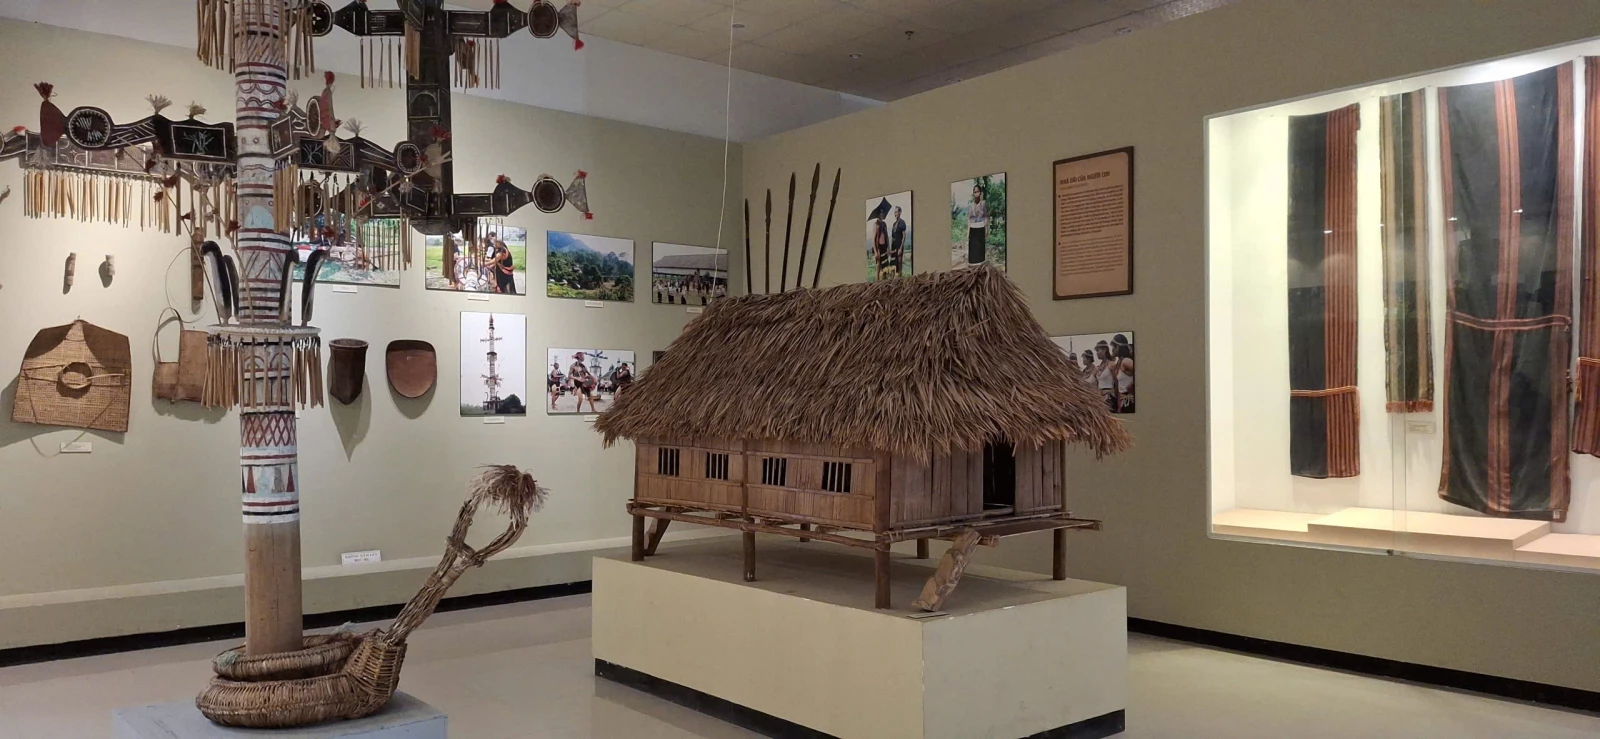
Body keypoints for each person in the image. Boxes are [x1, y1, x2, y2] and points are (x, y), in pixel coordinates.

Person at [1111, 335, 1135, 413]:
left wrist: (1132, 385)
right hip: (1122, 401)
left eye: (1113, 347)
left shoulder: (1126, 361)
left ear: (1117, 347)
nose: (1112, 349)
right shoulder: (1118, 363)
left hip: (1129, 402)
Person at [966, 183, 988, 265]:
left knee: (980, 252)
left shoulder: (983, 204)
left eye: (978, 192)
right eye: (975, 192)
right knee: (973, 253)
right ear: (973, 193)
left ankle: (981, 269)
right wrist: (968, 232)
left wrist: (986, 229)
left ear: (980, 193)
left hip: (981, 228)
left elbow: (986, 216)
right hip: (973, 229)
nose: (976, 194)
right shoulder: (971, 205)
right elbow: (969, 218)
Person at [1093, 341, 1117, 412]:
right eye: (1096, 351)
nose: (1097, 353)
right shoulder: (1098, 367)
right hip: (1099, 399)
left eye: (1098, 350)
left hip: (1109, 398)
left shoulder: (1111, 365)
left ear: (1104, 350)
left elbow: (1117, 383)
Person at [889, 205, 907, 276]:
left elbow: (904, 236)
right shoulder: (894, 224)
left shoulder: (902, 222)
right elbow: (892, 237)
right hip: (893, 246)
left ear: (900, 212)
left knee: (899, 265)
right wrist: (891, 249)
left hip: (899, 246)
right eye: (894, 212)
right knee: (893, 265)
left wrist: (901, 248)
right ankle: (892, 280)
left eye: (896, 212)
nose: (895, 214)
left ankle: (900, 279)